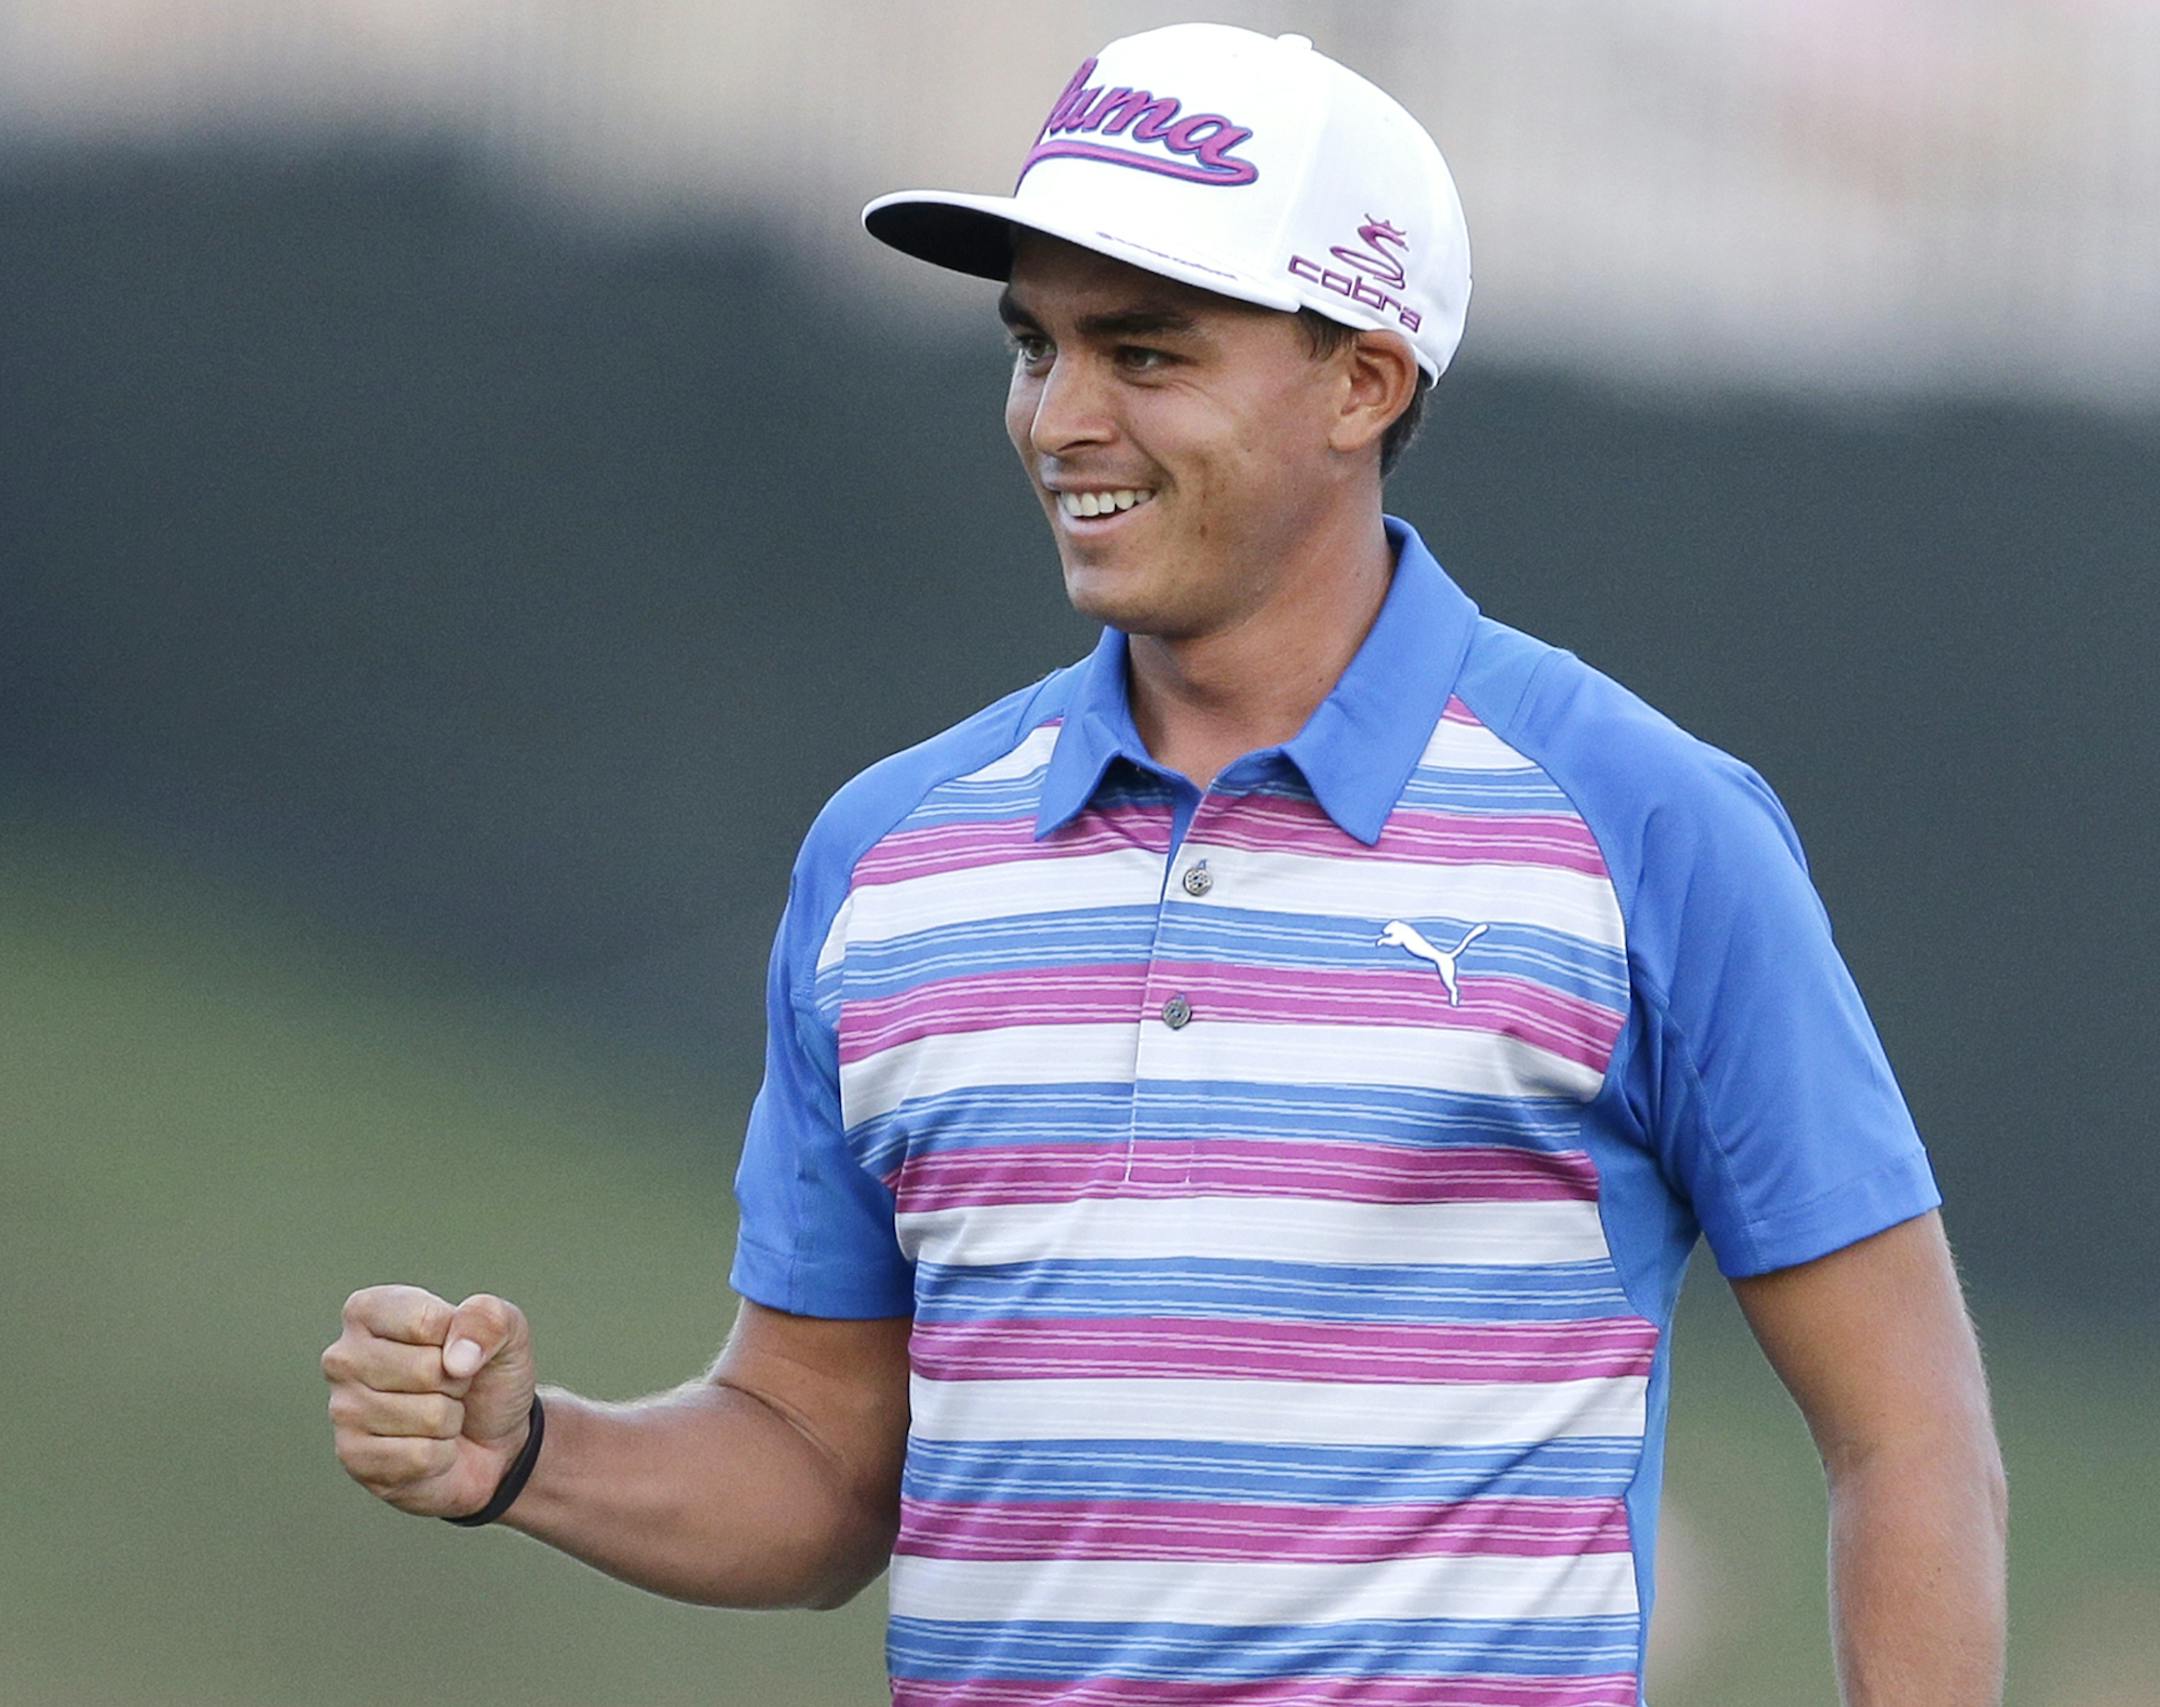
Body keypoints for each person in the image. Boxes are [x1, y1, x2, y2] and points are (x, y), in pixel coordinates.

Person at [322, 23, 2007, 1705]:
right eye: (1034, 346)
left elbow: (1909, 1437)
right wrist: (530, 1455)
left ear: (1363, 382)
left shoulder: (1645, 825)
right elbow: (820, 1466)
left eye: (1144, 352)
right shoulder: (892, 857)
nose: (1063, 418)